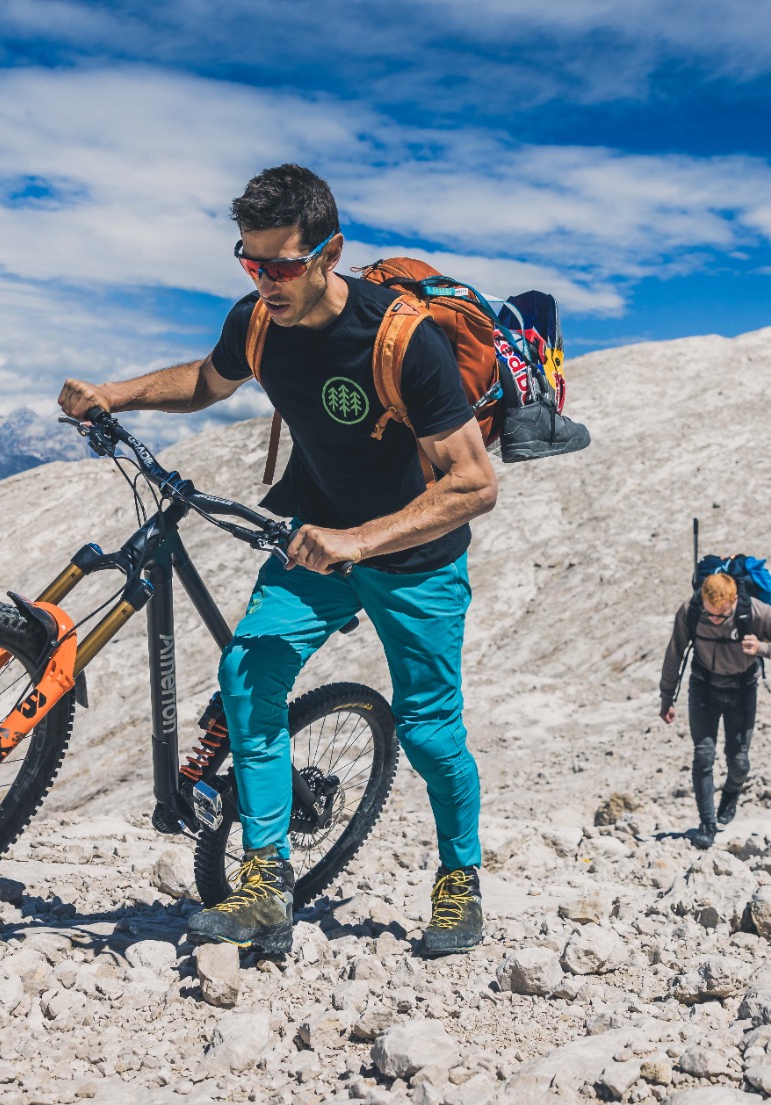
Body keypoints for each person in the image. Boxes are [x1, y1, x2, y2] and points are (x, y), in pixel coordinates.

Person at [57, 165, 496, 958]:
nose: (267, 283)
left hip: (412, 557)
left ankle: (459, 878)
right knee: (249, 679)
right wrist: (112, 395)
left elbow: (471, 483)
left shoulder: (403, 341)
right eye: (250, 263)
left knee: (429, 729)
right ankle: (266, 882)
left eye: (283, 266)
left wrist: (360, 541)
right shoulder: (258, 322)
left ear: (329, 251)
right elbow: (206, 380)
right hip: (312, 538)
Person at [658, 573, 771, 848]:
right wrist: (667, 697)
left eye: (720, 616)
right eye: (709, 614)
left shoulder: (755, 612)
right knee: (703, 755)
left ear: (733, 600)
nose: (714, 620)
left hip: (742, 690)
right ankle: (707, 823)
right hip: (704, 687)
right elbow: (675, 652)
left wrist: (762, 648)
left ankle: (730, 796)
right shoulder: (691, 610)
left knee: (738, 761)